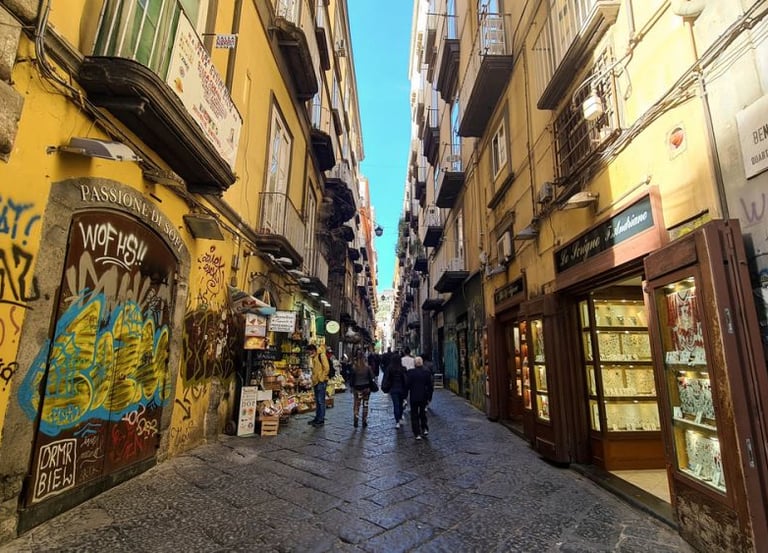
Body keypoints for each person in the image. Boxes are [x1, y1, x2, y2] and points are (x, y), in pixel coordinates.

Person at [406, 356, 434, 440]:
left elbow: (407, 385)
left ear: (414, 364)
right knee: (422, 413)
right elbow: (430, 386)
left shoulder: (410, 372)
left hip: (414, 396)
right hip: (423, 396)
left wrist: (404, 396)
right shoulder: (426, 373)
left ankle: (417, 433)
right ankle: (424, 428)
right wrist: (429, 397)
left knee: (414, 415)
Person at [350, 350, 376, 427]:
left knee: (357, 405)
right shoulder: (367, 367)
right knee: (365, 405)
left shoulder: (354, 367)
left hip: (357, 389)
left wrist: (352, 387)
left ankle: (356, 418)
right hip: (366, 389)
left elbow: (352, 379)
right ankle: (364, 420)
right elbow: (372, 377)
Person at [381, 351, 407, 428]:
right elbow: (405, 379)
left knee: (396, 405)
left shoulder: (390, 368)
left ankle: (397, 422)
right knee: (400, 404)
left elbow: (386, 378)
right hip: (402, 389)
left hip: (393, 389)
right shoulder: (403, 369)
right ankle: (400, 417)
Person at [307, 344, 330, 427]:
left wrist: (321, 378)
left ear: (313, 350)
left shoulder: (321, 355)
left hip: (321, 381)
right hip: (316, 381)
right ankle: (317, 418)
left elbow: (327, 368)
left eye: (309, 351)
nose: (308, 353)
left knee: (321, 401)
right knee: (317, 401)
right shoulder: (313, 357)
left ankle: (321, 420)